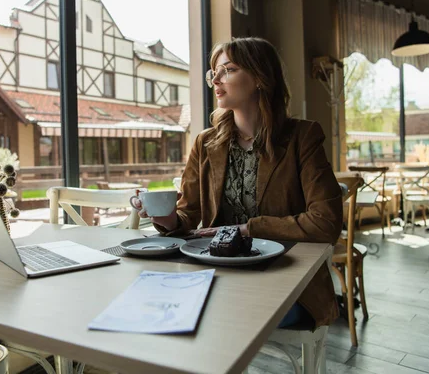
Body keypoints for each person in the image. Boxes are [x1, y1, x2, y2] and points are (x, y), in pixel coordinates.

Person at [134, 37, 342, 328]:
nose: (216, 80)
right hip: (215, 272)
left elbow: (326, 223)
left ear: (259, 77)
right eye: (213, 73)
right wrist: (166, 217)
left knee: (206, 314)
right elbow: (188, 215)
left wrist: (246, 229)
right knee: (153, 303)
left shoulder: (302, 138)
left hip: (285, 276)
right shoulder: (205, 143)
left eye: (228, 70)